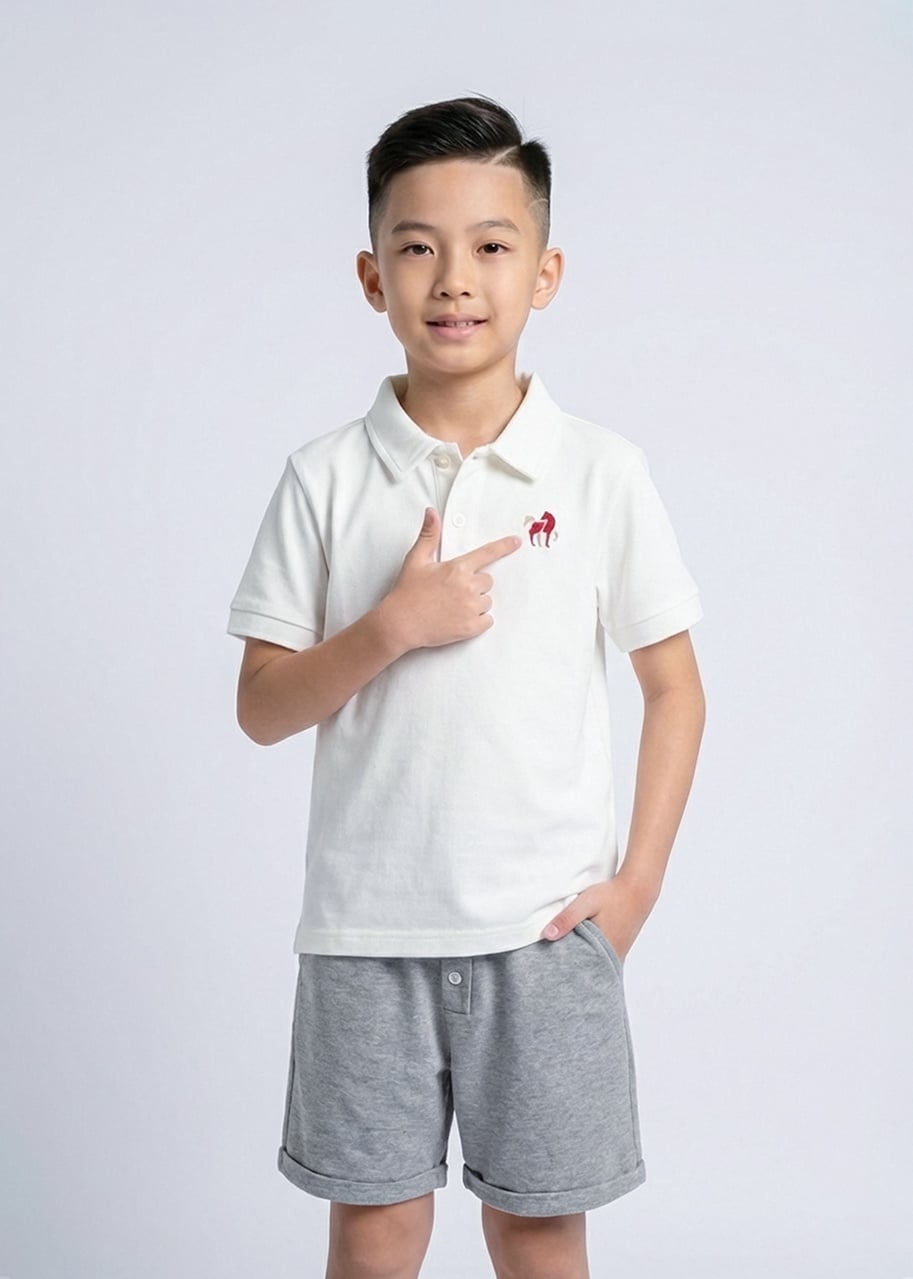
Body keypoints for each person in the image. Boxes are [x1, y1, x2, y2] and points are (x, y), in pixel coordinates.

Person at [226, 94, 706, 1279]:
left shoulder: (600, 472)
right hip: (363, 938)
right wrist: (390, 627)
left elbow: (674, 686)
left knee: (538, 1234)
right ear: (370, 275)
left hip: (543, 935)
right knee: (375, 1234)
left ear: (543, 273)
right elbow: (262, 706)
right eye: (416, 247)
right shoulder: (324, 477)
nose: (453, 279)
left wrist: (636, 886)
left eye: (491, 245)